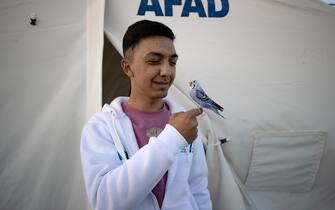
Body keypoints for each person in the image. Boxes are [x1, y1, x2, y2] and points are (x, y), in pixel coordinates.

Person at [80, 20, 212, 210]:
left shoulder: (185, 121)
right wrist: (172, 138)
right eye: (154, 61)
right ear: (127, 67)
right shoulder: (101, 127)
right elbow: (105, 202)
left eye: (172, 62)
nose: (166, 71)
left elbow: (198, 191)